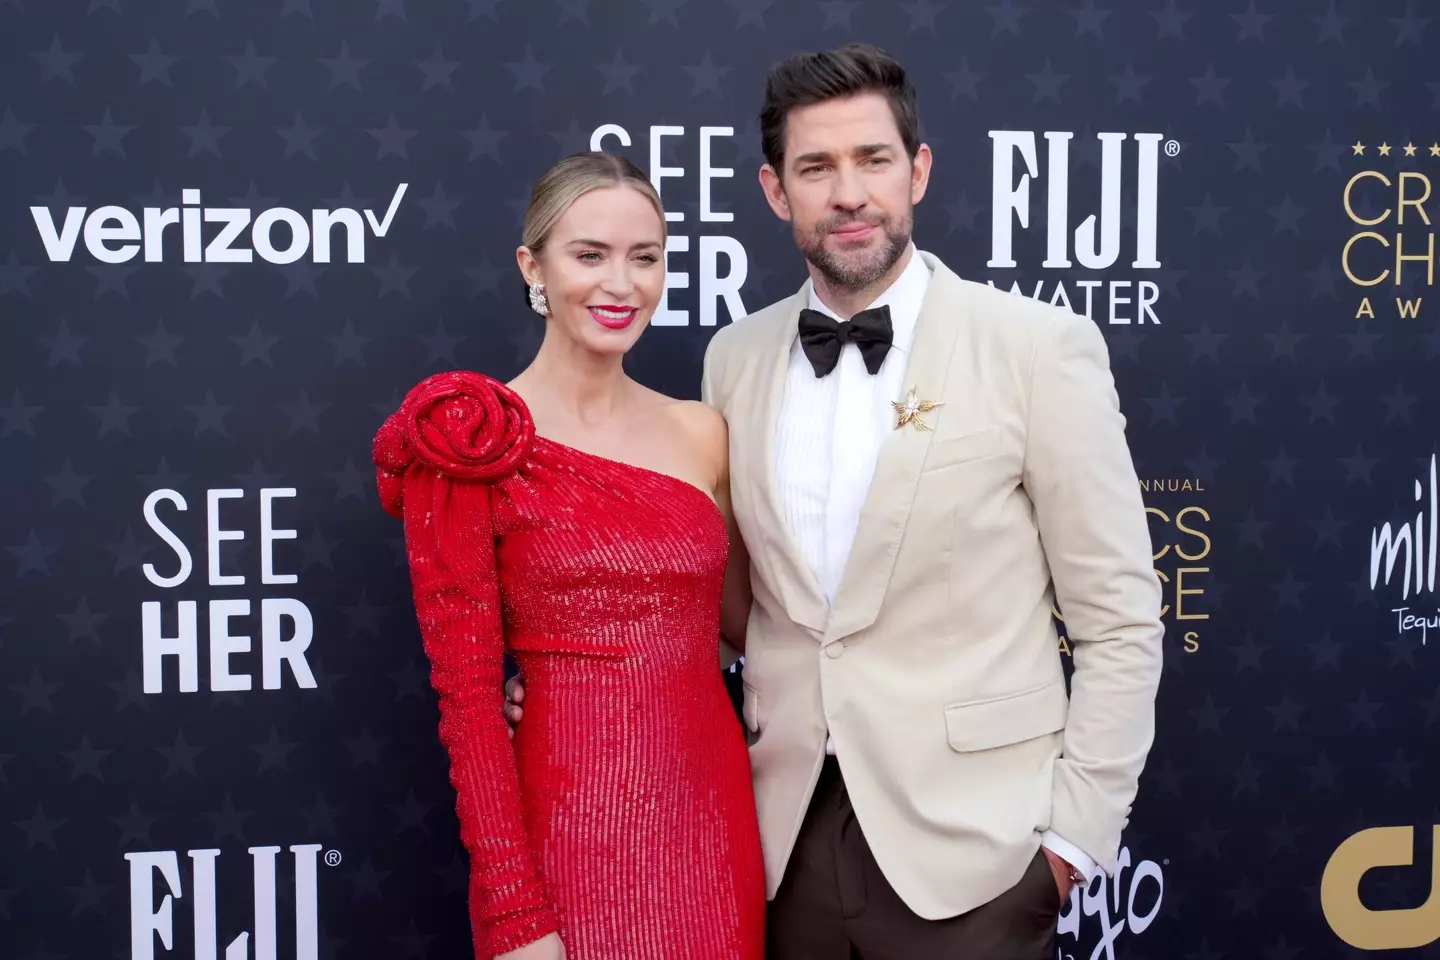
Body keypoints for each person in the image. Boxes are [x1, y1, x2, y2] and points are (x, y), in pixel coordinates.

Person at [507, 43, 1165, 959]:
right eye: (817, 167)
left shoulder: (1037, 348)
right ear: (777, 192)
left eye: (873, 160)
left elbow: (1122, 621)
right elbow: (725, 598)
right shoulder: (733, 360)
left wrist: (1071, 847)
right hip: (776, 850)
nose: (848, 192)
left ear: (919, 172)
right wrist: (567, 678)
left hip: (978, 861)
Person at [373, 151, 765, 960]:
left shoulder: (704, 432)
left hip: (710, 829)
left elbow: (754, 629)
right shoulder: (472, 442)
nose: (620, 285)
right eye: (590, 255)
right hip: (563, 835)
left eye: (645, 258)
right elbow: (470, 708)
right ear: (534, 267)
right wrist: (517, 915)